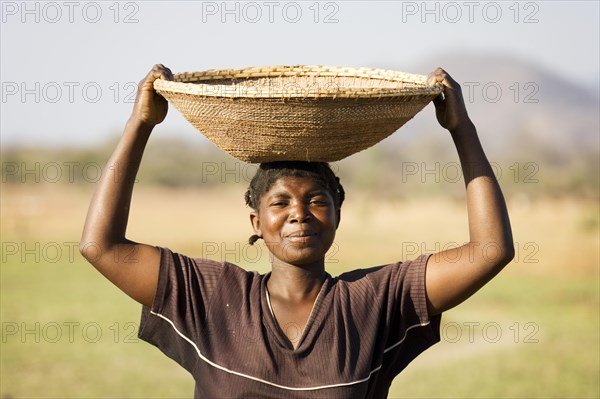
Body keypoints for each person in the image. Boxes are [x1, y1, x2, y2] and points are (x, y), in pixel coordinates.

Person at [80, 64, 514, 398]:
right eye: (281, 202)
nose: (299, 214)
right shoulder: (212, 296)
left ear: (338, 215)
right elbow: (101, 246)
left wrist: (462, 129)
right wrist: (140, 125)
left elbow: (490, 250)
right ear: (256, 222)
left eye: (317, 201)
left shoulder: (375, 299)